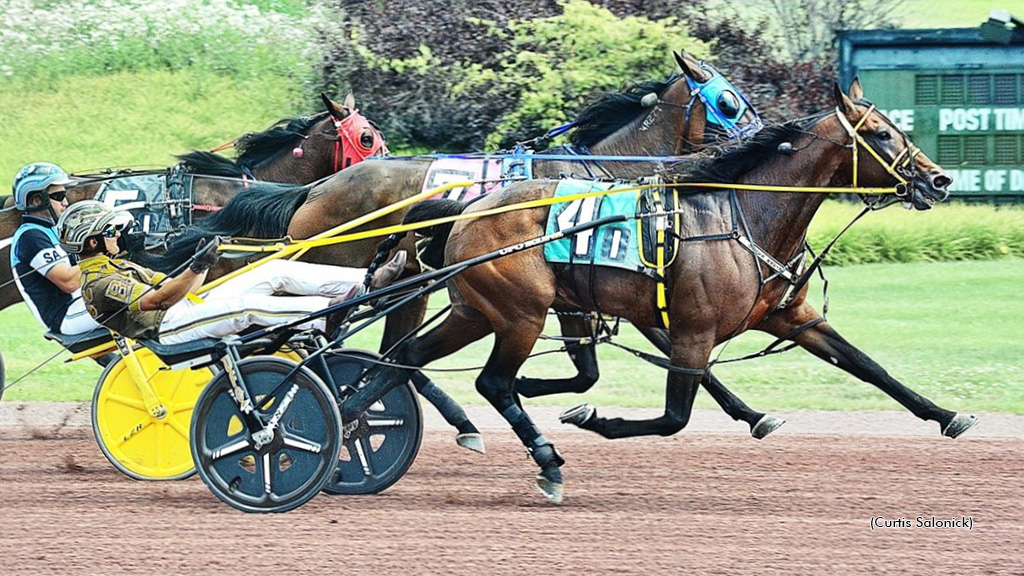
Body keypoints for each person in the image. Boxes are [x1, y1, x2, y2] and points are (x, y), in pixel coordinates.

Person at [57, 200, 406, 345]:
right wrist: (196, 266)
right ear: (91, 243)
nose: (118, 236)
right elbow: (158, 301)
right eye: (111, 232)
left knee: (274, 270)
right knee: (246, 306)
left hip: (184, 310)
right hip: (168, 330)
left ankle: (366, 282)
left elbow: (177, 288)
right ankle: (323, 316)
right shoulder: (99, 282)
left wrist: (202, 262)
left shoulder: (118, 264)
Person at [9, 162, 102, 335]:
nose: (66, 203)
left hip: (82, 304)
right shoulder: (31, 237)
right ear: (37, 200)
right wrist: (104, 253)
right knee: (139, 299)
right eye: (59, 196)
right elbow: (69, 282)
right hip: (67, 316)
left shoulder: (50, 231)